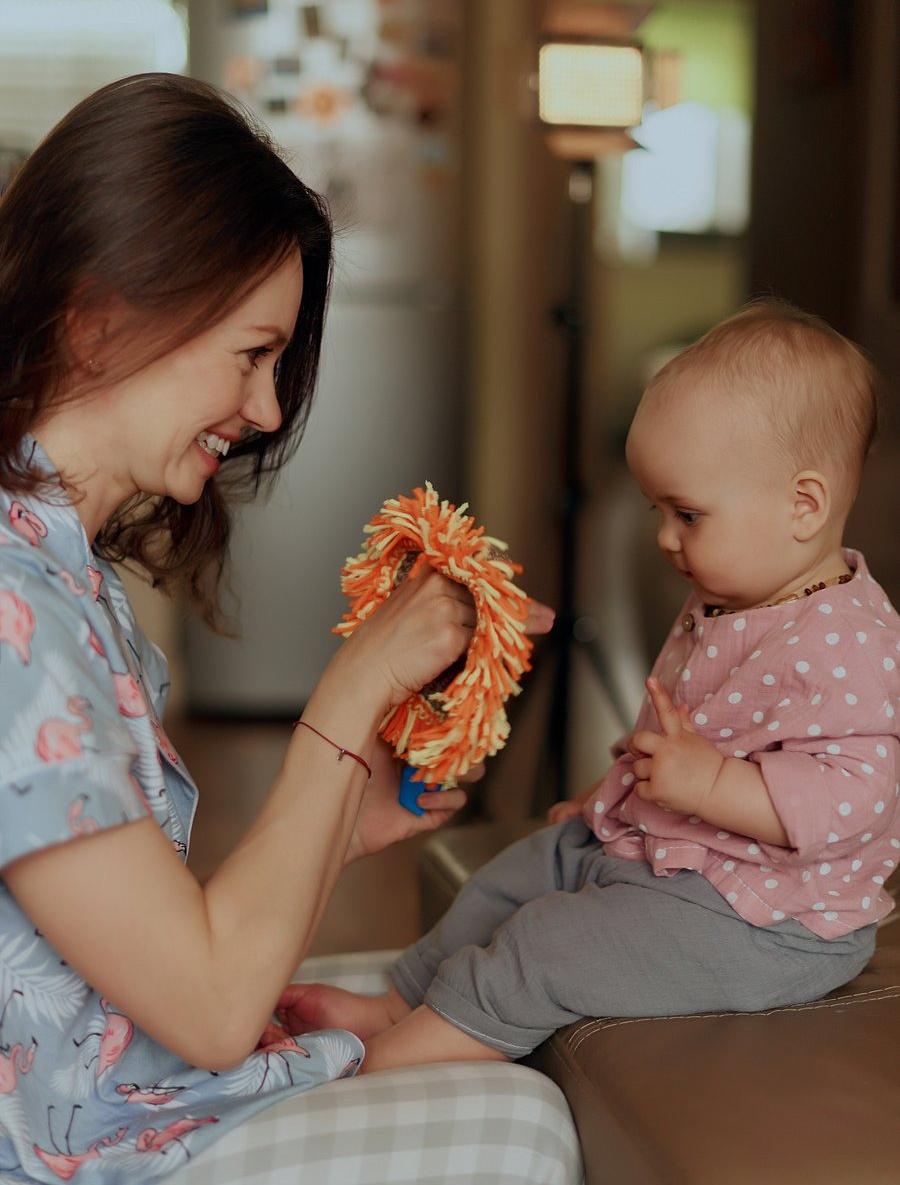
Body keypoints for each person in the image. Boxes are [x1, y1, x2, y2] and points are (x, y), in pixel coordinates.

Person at [0, 74, 583, 1185]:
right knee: (523, 1126)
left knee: (488, 1033)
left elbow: (155, 947)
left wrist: (338, 821)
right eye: (248, 354)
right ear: (96, 323)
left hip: (116, 1090)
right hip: (73, 1147)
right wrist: (350, 693)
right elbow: (216, 1006)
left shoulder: (58, 571)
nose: (267, 410)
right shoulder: (14, 607)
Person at [277, 301, 900, 1073]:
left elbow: (859, 797)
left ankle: (392, 1062)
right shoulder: (731, 597)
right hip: (678, 856)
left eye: (688, 514)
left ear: (803, 506)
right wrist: (617, 795)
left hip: (770, 921)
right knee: (519, 875)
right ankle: (403, 1001)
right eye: (657, 509)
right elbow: (686, 730)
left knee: (550, 945)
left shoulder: (850, 643)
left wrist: (710, 785)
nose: (665, 536)